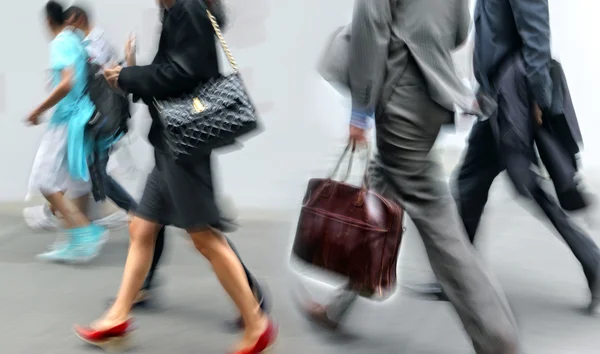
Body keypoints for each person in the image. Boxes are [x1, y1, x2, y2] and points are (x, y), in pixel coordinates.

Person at [300, 1, 520, 353]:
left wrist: (360, 110)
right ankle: (340, 306)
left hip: (399, 99)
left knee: (442, 228)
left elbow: (371, 29)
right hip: (429, 98)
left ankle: (498, 340)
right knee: (378, 198)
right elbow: (459, 31)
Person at [73, 1, 277, 353]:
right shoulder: (178, 10)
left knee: (203, 237)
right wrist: (129, 72)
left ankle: (256, 323)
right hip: (171, 143)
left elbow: (183, 75)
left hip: (183, 146)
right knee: (142, 228)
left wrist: (127, 76)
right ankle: (117, 317)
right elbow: (172, 69)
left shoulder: (188, 10)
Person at [409, 0, 600, 316]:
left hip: (514, 104)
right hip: (497, 100)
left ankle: (593, 262)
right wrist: (480, 88)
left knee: (516, 184)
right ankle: (457, 278)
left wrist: (538, 99)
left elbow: (536, 36)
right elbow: (491, 36)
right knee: (474, 184)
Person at [26, 0, 108, 263]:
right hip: (82, 117)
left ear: (49, 22)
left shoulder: (60, 42)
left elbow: (66, 83)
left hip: (66, 121)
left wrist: (38, 109)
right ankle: (75, 241)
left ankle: (84, 231)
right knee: (72, 182)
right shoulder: (75, 39)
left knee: (45, 180)